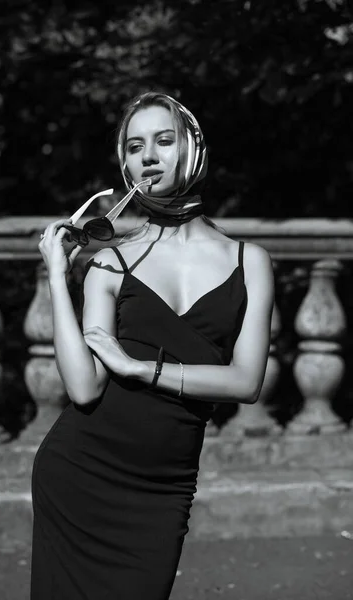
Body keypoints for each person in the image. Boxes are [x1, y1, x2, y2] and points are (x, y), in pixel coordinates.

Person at [31, 91, 274, 600]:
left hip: (163, 487)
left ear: (192, 148)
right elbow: (83, 389)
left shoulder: (249, 261)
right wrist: (58, 275)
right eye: (136, 146)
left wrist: (142, 368)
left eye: (165, 140)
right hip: (81, 471)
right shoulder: (109, 261)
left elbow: (246, 382)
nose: (149, 156)